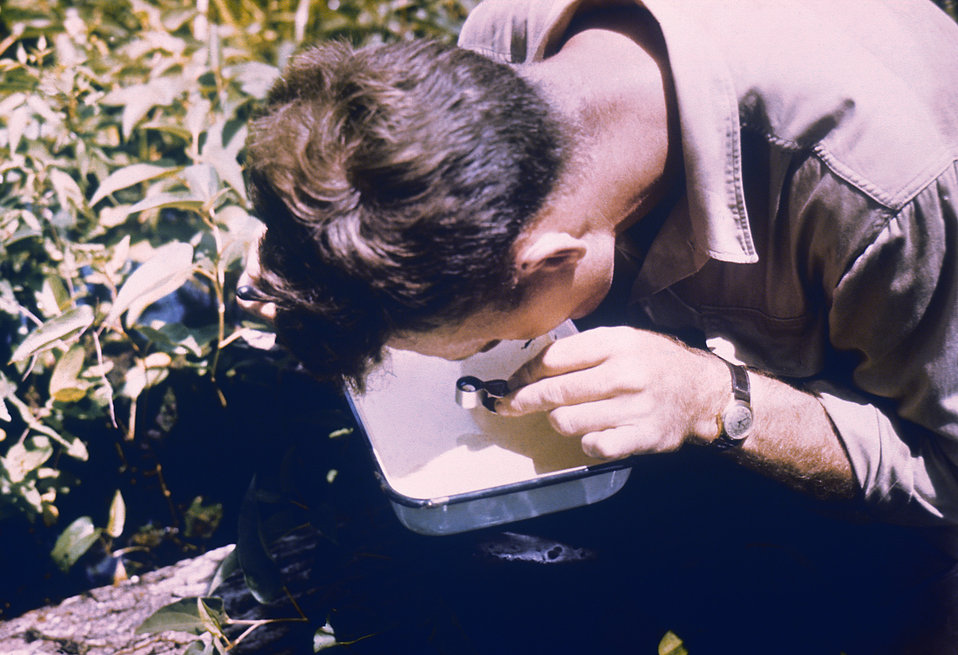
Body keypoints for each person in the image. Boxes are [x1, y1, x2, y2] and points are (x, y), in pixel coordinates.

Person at [238, 0, 958, 651]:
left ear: (554, 259)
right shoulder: (501, 43)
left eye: (488, 342)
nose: (492, 357)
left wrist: (719, 400)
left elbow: (948, 472)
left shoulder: (885, 192)